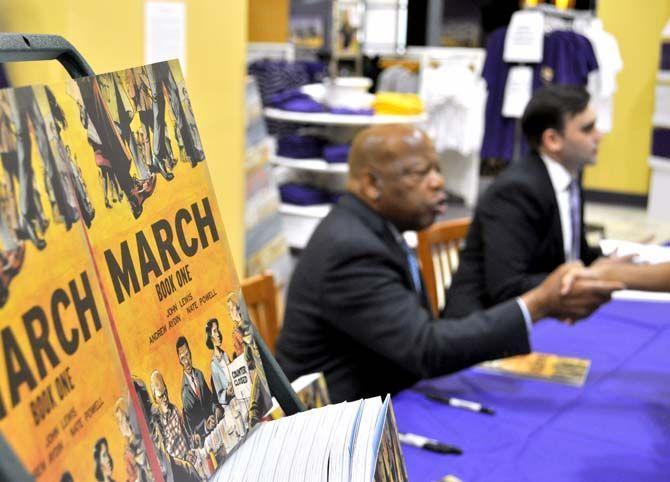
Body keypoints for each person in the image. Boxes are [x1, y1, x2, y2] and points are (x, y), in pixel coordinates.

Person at [275, 124, 623, 403]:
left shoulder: (376, 228)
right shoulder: (351, 248)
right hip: (336, 426)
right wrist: (537, 304)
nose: (438, 182)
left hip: (391, 392)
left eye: (437, 170)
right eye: (419, 173)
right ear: (371, 184)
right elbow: (426, 349)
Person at [445, 85, 605, 317]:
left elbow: (572, 254)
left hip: (541, 311)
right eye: (588, 129)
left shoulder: (569, 179)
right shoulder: (515, 191)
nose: (599, 135)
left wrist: (613, 257)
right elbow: (506, 287)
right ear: (552, 140)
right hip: (485, 324)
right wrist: (584, 276)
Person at [176, 336, 216, 441]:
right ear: (179, 361)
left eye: (187, 355)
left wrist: (216, 410)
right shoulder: (185, 392)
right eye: (182, 358)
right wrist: (205, 427)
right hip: (205, 438)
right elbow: (192, 427)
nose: (186, 361)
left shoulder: (199, 374)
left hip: (215, 425)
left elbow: (210, 399)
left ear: (190, 353)